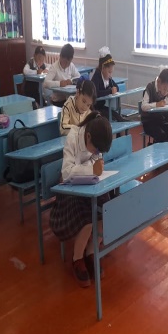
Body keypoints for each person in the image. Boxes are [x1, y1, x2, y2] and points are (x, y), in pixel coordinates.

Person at [49, 112, 113, 287]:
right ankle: (77, 258)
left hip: (91, 184)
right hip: (69, 188)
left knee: (105, 210)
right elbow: (66, 172)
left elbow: (97, 164)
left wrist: (95, 167)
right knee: (87, 219)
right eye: (96, 149)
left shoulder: (96, 142)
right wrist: (92, 169)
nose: (97, 153)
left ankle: (91, 252)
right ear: (88, 136)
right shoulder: (73, 136)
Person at [91, 46, 128, 122]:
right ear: (103, 68)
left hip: (102, 107)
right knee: (112, 118)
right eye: (109, 72)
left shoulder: (107, 78)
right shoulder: (97, 76)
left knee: (118, 116)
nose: (110, 75)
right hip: (94, 109)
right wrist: (110, 91)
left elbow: (116, 87)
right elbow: (96, 93)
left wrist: (113, 89)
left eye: (111, 72)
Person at [140, 68, 168, 143]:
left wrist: (164, 102)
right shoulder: (150, 87)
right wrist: (156, 104)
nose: (165, 93)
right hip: (148, 121)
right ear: (158, 81)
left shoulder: (165, 87)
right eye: (164, 89)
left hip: (160, 120)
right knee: (161, 135)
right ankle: (157, 149)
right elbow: (143, 106)